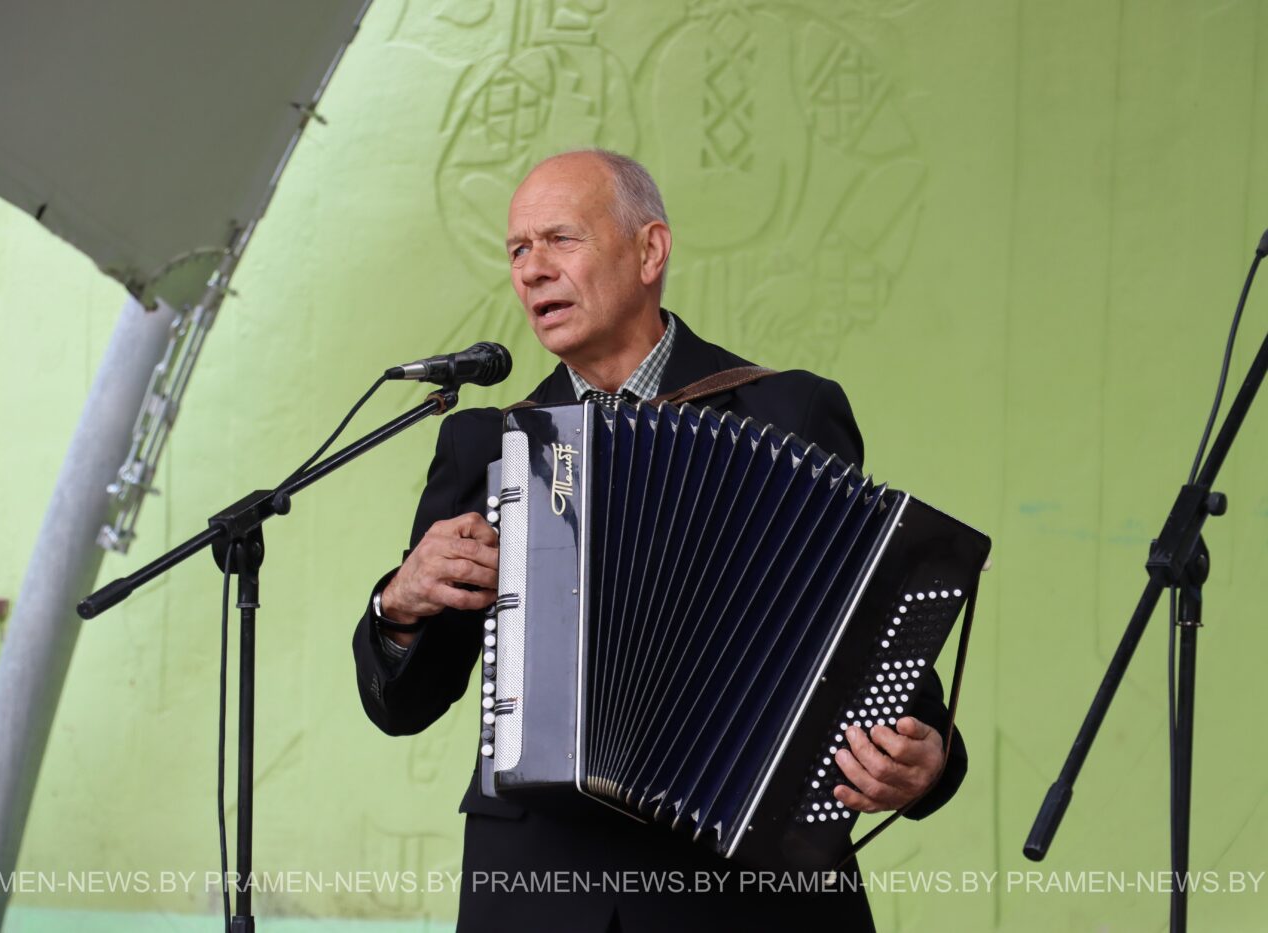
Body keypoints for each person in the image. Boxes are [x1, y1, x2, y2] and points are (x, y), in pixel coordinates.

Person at [351, 149, 967, 932]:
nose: (533, 269)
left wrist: (929, 759)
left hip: (740, 894)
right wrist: (398, 606)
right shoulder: (487, 446)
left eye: (560, 239)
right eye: (518, 250)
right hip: (542, 893)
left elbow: (867, 649)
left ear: (650, 252)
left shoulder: (788, 413)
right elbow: (404, 704)